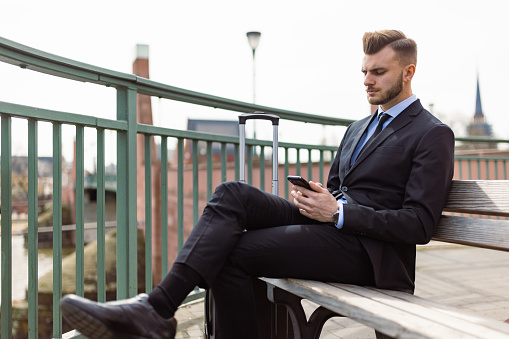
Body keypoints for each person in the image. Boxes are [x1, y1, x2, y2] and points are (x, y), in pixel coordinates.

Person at [60, 29, 455, 339]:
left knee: (228, 252)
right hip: (333, 227)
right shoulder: (358, 127)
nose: (367, 80)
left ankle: (155, 312)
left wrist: (340, 213)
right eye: (364, 72)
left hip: (372, 255)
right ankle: (155, 309)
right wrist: (322, 199)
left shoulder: (431, 133)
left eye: (378, 72)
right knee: (232, 194)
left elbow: (419, 224)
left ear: (408, 72)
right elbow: (339, 188)